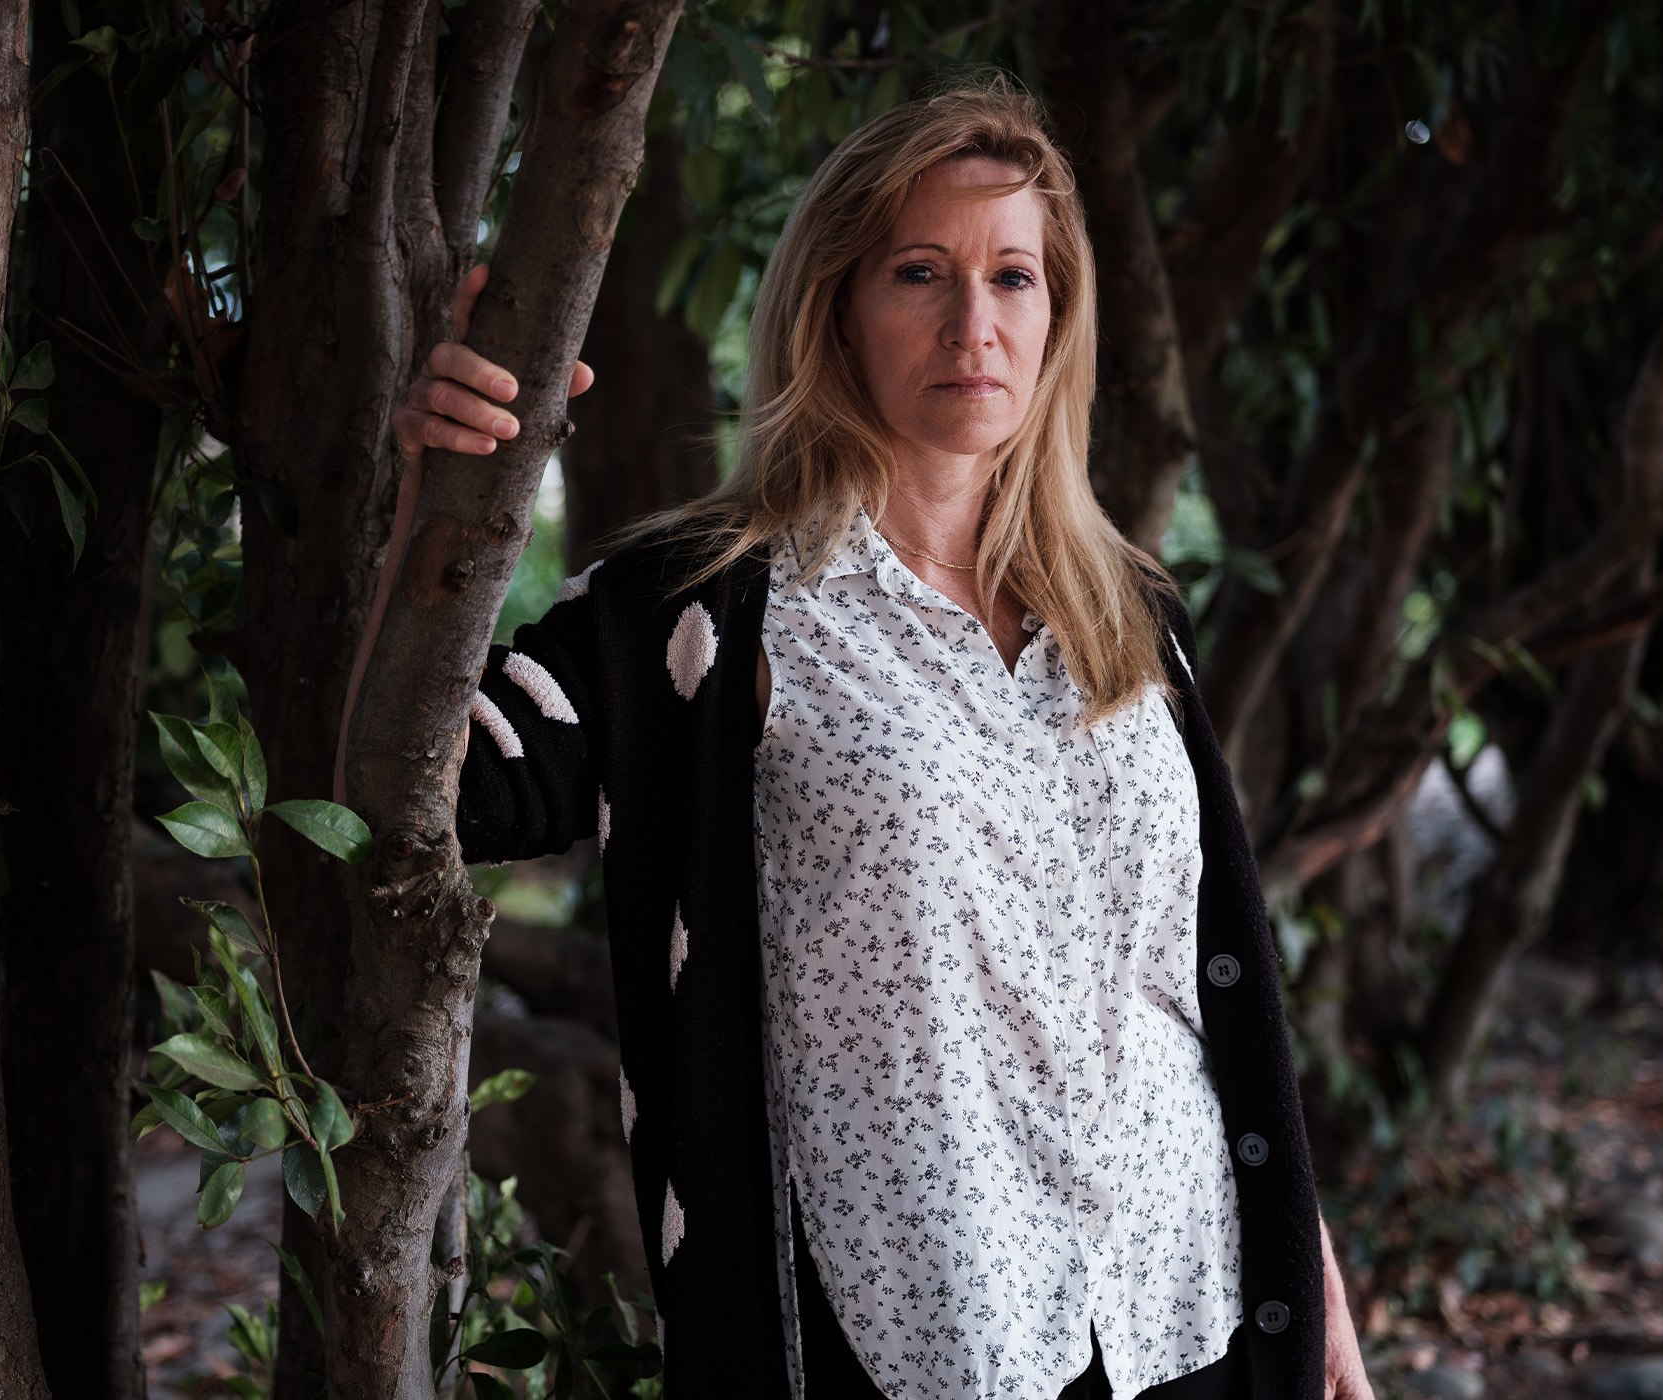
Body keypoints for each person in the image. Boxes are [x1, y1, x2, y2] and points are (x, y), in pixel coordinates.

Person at [401, 82, 1375, 1400]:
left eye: (1015, 277)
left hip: (1189, 1304)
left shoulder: (1131, 615)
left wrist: (1302, 1261)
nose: (977, 324)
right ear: (838, 308)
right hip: (918, 1340)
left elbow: (1190, 986)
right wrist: (433, 501)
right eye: (922, 272)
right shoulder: (702, 612)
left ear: (1059, 317)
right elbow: (426, 789)